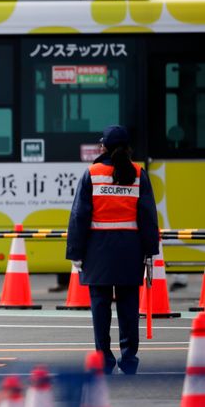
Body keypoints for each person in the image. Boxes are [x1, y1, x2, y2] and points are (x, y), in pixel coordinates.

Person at [66, 125, 159, 375]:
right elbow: (148, 216)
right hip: (130, 250)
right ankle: (129, 360)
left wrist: (75, 252)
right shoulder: (139, 174)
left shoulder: (92, 173)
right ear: (127, 148)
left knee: (100, 307)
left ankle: (104, 360)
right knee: (128, 308)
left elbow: (79, 216)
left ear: (104, 147)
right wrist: (150, 251)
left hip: (98, 251)